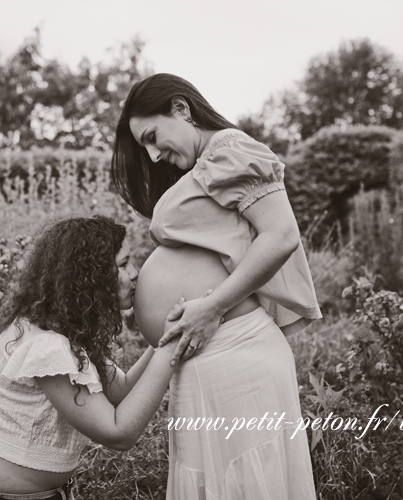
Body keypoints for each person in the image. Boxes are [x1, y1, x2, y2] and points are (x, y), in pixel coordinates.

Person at [111, 73, 322, 499]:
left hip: (235, 351)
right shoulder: (207, 164)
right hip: (208, 356)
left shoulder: (231, 150)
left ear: (181, 109)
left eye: (152, 136)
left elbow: (281, 235)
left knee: (246, 483)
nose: (151, 155)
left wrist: (210, 308)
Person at [0, 216, 186, 500]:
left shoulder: (56, 330)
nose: (135, 273)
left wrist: (164, 337)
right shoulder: (47, 347)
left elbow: (122, 390)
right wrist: (172, 346)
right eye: (122, 265)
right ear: (89, 276)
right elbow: (119, 434)